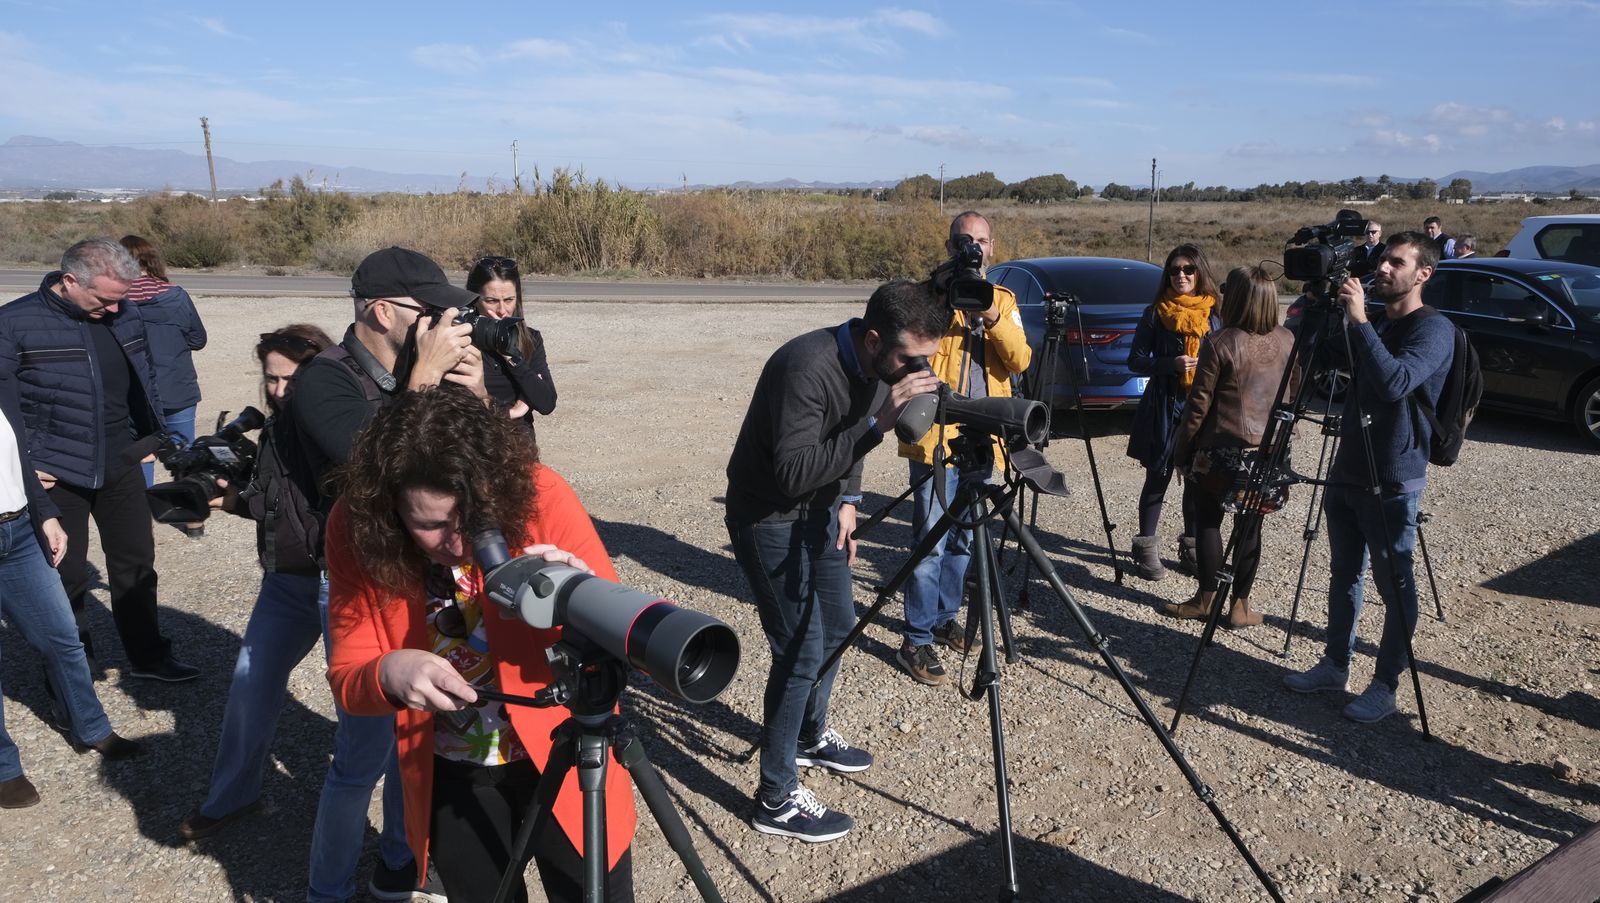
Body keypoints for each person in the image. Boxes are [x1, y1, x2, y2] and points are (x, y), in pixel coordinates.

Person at [324, 386, 636, 903]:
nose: (457, 542)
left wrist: (583, 595)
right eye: (429, 524)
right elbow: (347, 679)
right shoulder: (356, 528)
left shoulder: (541, 494)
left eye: (471, 520)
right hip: (453, 771)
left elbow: (622, 642)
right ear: (390, 511)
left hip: (566, 750)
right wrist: (388, 674)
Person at [290, 246, 480, 902]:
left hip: (430, 577)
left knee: (416, 743)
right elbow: (370, 468)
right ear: (379, 309)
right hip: (361, 580)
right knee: (360, 758)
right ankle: (329, 888)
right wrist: (423, 379)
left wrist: (476, 390)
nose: (438, 322)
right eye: (426, 310)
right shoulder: (325, 378)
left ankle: (401, 866)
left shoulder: (414, 367)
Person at [725, 279, 944, 842]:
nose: (916, 371)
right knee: (799, 650)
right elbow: (794, 472)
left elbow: (847, 440)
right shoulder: (807, 366)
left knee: (841, 627)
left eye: (927, 359)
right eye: (909, 358)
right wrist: (880, 426)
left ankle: (807, 736)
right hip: (768, 517)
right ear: (873, 340)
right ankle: (774, 796)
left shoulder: (878, 370)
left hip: (821, 513)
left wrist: (849, 501)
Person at [0, 238, 198, 682]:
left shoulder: (124, 313)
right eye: (104, 299)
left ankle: (148, 657)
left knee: (135, 563)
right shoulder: (14, 323)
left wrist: (150, 435)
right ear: (69, 281)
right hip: (57, 473)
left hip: (120, 461)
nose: (113, 309)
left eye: (120, 299)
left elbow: (142, 379)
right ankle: (75, 670)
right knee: (65, 574)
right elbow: (2, 409)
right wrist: (24, 466)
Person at [1283, 231, 1455, 723]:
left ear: (1423, 273)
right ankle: (1335, 664)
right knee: (1343, 575)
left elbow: (1395, 382)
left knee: (1394, 584)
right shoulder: (1376, 319)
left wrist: (1359, 319)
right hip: (1349, 467)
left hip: (1395, 476)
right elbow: (1331, 363)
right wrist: (1322, 311)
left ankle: (1385, 684)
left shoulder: (1434, 330)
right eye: (1382, 260)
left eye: (1395, 262)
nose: (1382, 269)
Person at [895, 211, 1032, 687]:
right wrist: (939, 293)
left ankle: (942, 618)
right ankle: (915, 637)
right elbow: (906, 347)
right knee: (930, 538)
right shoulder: (929, 296)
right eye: (962, 241)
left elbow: (1019, 358)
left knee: (962, 537)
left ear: (992, 247)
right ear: (950, 245)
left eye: (979, 241)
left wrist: (990, 315)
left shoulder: (1004, 300)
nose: (971, 249)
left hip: (983, 435)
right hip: (937, 434)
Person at [0, 372, 142, 809]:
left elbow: (18, 458)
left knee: (63, 637)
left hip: (18, 530)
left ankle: (91, 728)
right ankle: (4, 768)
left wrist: (45, 514)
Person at [1166, 267, 1298, 628]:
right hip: (1269, 451)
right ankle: (1240, 606)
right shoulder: (1288, 339)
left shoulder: (1220, 341)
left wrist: (1181, 452)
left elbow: (1198, 406)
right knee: (1252, 526)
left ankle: (1206, 599)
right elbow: (1294, 395)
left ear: (1237, 298)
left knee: (1208, 522)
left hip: (1222, 450)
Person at [1125, 243, 1222, 581]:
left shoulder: (1214, 313)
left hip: (1202, 407)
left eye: (1188, 270)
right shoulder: (1156, 312)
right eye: (1174, 270)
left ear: (1200, 273)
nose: (1181, 276)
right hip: (1165, 405)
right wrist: (1170, 364)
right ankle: (1145, 550)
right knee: (1158, 477)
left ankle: (1192, 547)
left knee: (1197, 480)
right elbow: (1135, 361)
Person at [119, 236, 207, 512]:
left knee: (141, 454)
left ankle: (142, 518)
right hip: (177, 388)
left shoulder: (115, 301)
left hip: (134, 392)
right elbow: (198, 339)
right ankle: (192, 514)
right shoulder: (176, 295)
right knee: (185, 452)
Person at [463, 255, 556, 427]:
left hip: (520, 448)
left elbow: (547, 403)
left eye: (508, 300)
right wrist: (508, 413)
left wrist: (512, 357)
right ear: (475, 300)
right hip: (475, 447)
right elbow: (455, 411)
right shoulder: (462, 341)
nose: (502, 310)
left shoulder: (530, 339)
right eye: (491, 301)